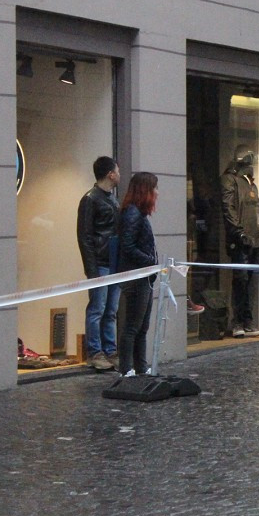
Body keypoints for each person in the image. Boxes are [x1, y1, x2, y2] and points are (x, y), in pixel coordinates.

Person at [76, 156, 121, 372]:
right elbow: (84, 236)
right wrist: (92, 269)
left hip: (113, 262)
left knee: (110, 309)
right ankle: (95, 352)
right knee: (98, 309)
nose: (119, 174)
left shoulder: (111, 199)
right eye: (117, 171)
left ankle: (110, 350)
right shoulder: (91, 199)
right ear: (110, 174)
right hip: (101, 263)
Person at [116, 172, 160, 378]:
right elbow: (128, 246)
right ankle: (126, 368)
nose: (157, 192)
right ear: (145, 190)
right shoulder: (133, 214)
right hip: (137, 277)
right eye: (154, 188)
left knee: (142, 326)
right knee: (133, 325)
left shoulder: (136, 213)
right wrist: (150, 261)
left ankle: (141, 367)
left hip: (144, 277)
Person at [221, 145, 259, 338]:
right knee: (240, 281)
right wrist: (238, 232)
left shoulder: (251, 184)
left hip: (255, 239)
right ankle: (238, 321)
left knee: (250, 282)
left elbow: (257, 213)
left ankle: (247, 319)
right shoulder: (229, 180)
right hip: (241, 239)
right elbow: (228, 207)